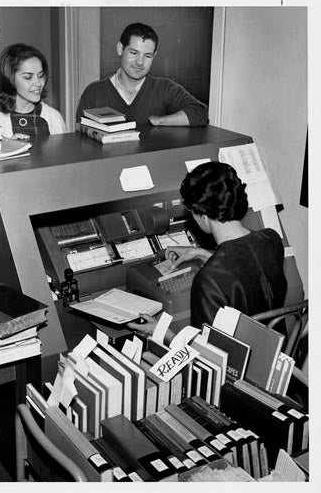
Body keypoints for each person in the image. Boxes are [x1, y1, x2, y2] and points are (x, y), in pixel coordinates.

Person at [128, 162, 287, 341]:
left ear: (203, 215)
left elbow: (206, 357)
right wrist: (201, 253)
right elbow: (245, 267)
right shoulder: (271, 240)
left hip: (239, 367)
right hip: (278, 354)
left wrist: (163, 333)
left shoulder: (207, 280)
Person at [76, 22, 208, 127]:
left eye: (148, 56)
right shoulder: (94, 93)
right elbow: (80, 140)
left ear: (154, 56)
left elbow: (200, 113)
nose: (140, 62)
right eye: (134, 53)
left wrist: (160, 121)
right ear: (120, 49)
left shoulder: (165, 88)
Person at [0, 43, 66, 138]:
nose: (38, 83)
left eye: (41, 76)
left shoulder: (54, 118)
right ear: (10, 79)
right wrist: (8, 147)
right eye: (28, 77)